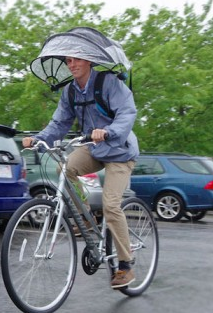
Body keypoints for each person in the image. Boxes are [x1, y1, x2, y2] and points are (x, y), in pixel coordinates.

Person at [22, 56, 139, 289]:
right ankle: (85, 216)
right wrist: (38, 138)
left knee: (111, 205)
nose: (72, 65)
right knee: (65, 167)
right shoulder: (70, 92)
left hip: (120, 151)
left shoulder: (108, 82)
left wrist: (107, 131)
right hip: (94, 148)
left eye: (77, 60)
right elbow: (59, 123)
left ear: (89, 62)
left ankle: (126, 265)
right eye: (68, 61)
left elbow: (127, 112)